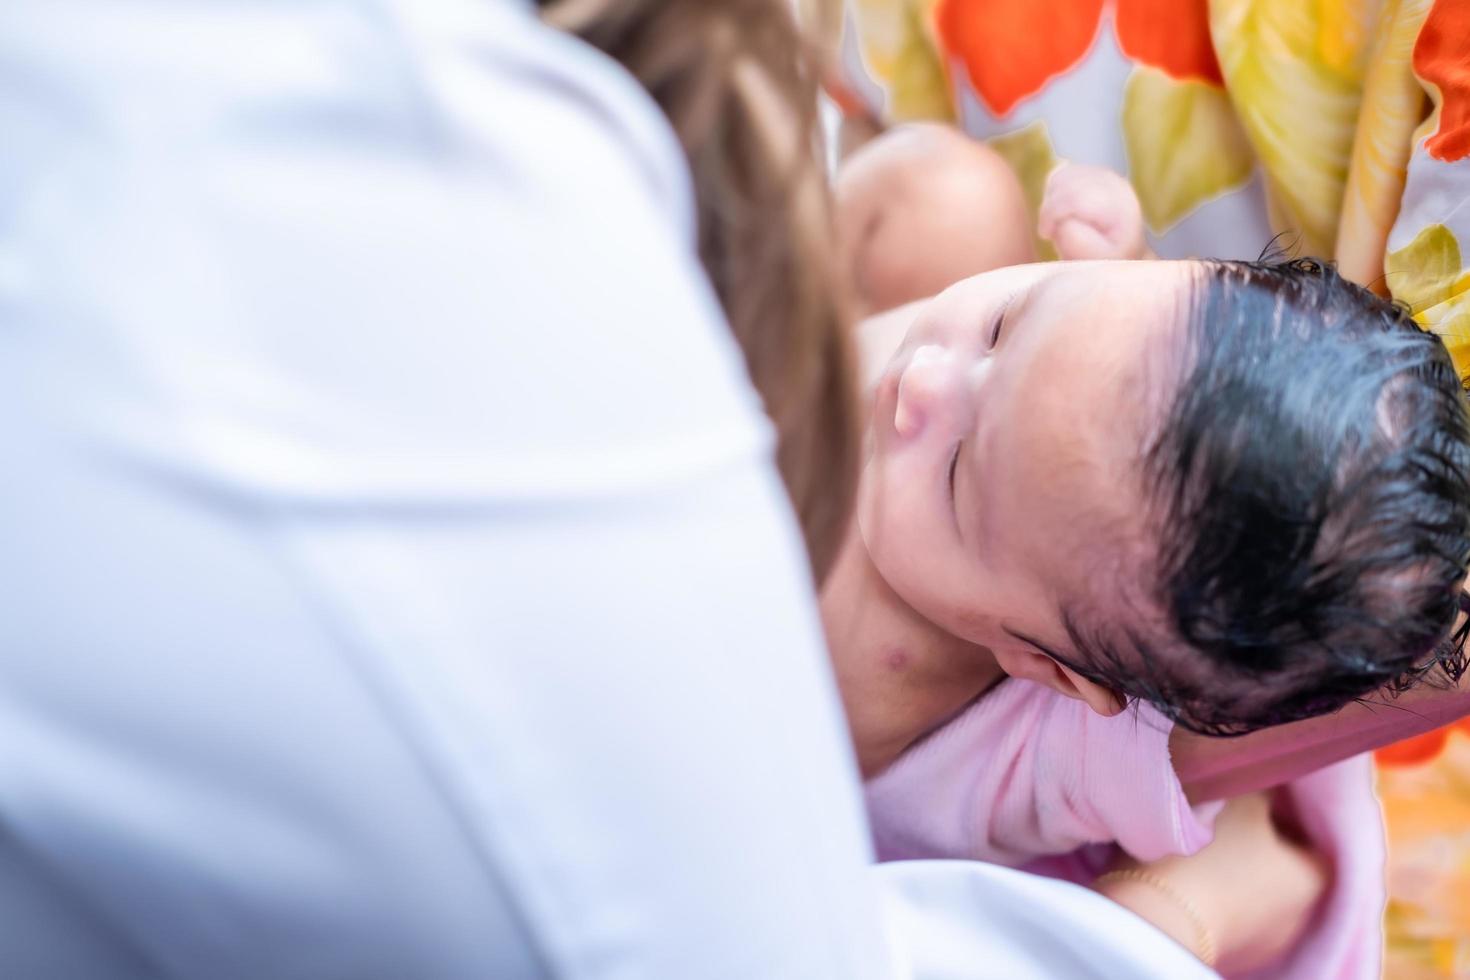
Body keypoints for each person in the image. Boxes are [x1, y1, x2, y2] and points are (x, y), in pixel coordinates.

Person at [0, 1, 1333, 977]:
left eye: (961, 474)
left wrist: (1188, 910)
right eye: (1000, 332)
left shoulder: (1053, 736)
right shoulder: (965, 386)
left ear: (1050, 664)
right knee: (949, 195)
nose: (924, 389)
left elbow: (1317, 683)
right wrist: (1087, 281)